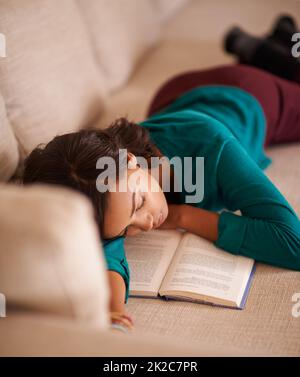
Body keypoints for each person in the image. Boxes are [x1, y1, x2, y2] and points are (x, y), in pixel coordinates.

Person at [22, 63, 300, 332]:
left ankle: (270, 54)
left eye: (140, 203)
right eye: (126, 229)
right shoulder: (106, 184)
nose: (144, 225)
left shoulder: (212, 144)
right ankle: (268, 48)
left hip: (248, 98)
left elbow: (293, 242)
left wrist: (184, 216)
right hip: (173, 98)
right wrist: (113, 312)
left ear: (130, 159)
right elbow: (109, 249)